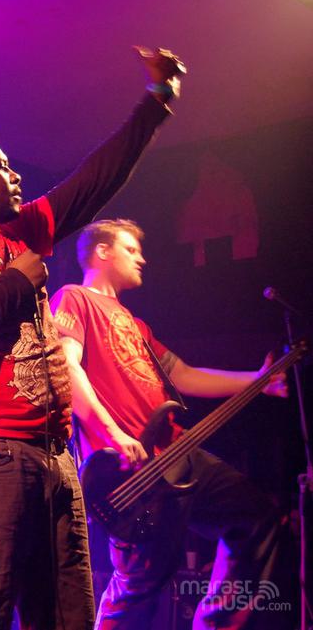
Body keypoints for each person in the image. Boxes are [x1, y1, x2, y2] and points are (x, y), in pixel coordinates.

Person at [0, 47, 185, 630]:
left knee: (67, 618)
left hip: (54, 453)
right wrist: (17, 282)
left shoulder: (21, 231)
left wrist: (157, 101)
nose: (15, 174)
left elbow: (93, 182)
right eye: (0, 166)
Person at [49, 220, 288, 630]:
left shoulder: (137, 324)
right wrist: (113, 434)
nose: (142, 258)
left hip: (177, 453)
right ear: (102, 252)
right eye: (131, 249)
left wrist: (258, 381)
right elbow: (66, 367)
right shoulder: (74, 298)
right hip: (131, 471)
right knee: (140, 584)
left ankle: (215, 623)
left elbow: (184, 375)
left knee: (256, 517)